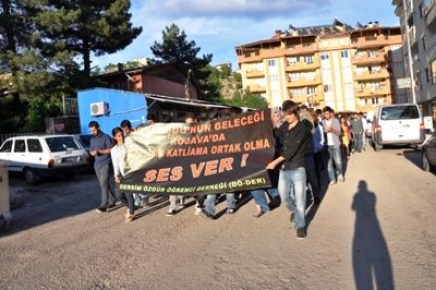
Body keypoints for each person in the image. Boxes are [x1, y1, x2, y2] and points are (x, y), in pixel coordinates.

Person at [267, 100, 312, 239]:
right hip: (285, 168)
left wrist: (274, 162)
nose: (287, 117)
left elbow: (291, 150)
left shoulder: (303, 128)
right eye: (285, 114)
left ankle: (301, 226)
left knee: (300, 198)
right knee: (284, 197)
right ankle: (293, 211)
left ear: (297, 113)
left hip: (298, 167)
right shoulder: (285, 125)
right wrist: (274, 123)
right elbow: (275, 135)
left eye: (290, 114)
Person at [88, 121, 117, 213]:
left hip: (105, 163)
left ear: (98, 128)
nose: (93, 132)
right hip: (97, 164)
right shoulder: (92, 139)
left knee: (103, 183)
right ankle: (112, 200)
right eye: (91, 131)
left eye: (94, 130)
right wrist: (92, 153)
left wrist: (100, 152)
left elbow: (111, 149)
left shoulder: (106, 137)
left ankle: (103, 205)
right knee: (103, 183)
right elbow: (91, 150)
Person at [120, 119, 148, 208]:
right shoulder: (124, 137)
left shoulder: (137, 134)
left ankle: (144, 197)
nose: (125, 132)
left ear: (130, 127)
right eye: (123, 130)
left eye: (126, 130)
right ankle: (137, 200)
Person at [110, 127, 135, 222]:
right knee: (119, 195)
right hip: (120, 174)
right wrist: (116, 175)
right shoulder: (113, 150)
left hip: (130, 173)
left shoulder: (129, 145)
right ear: (115, 137)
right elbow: (115, 164)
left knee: (129, 194)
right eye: (119, 136)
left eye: (122, 135)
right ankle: (130, 207)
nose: (121, 137)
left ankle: (131, 213)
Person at [322, 106, 345, 185]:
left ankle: (340, 174)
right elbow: (320, 135)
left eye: (327, 113)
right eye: (325, 114)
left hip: (335, 145)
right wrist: (325, 131)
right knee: (329, 164)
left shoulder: (335, 121)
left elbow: (339, 133)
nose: (326, 115)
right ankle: (332, 179)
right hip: (326, 146)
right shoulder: (322, 122)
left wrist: (331, 130)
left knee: (338, 162)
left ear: (330, 113)